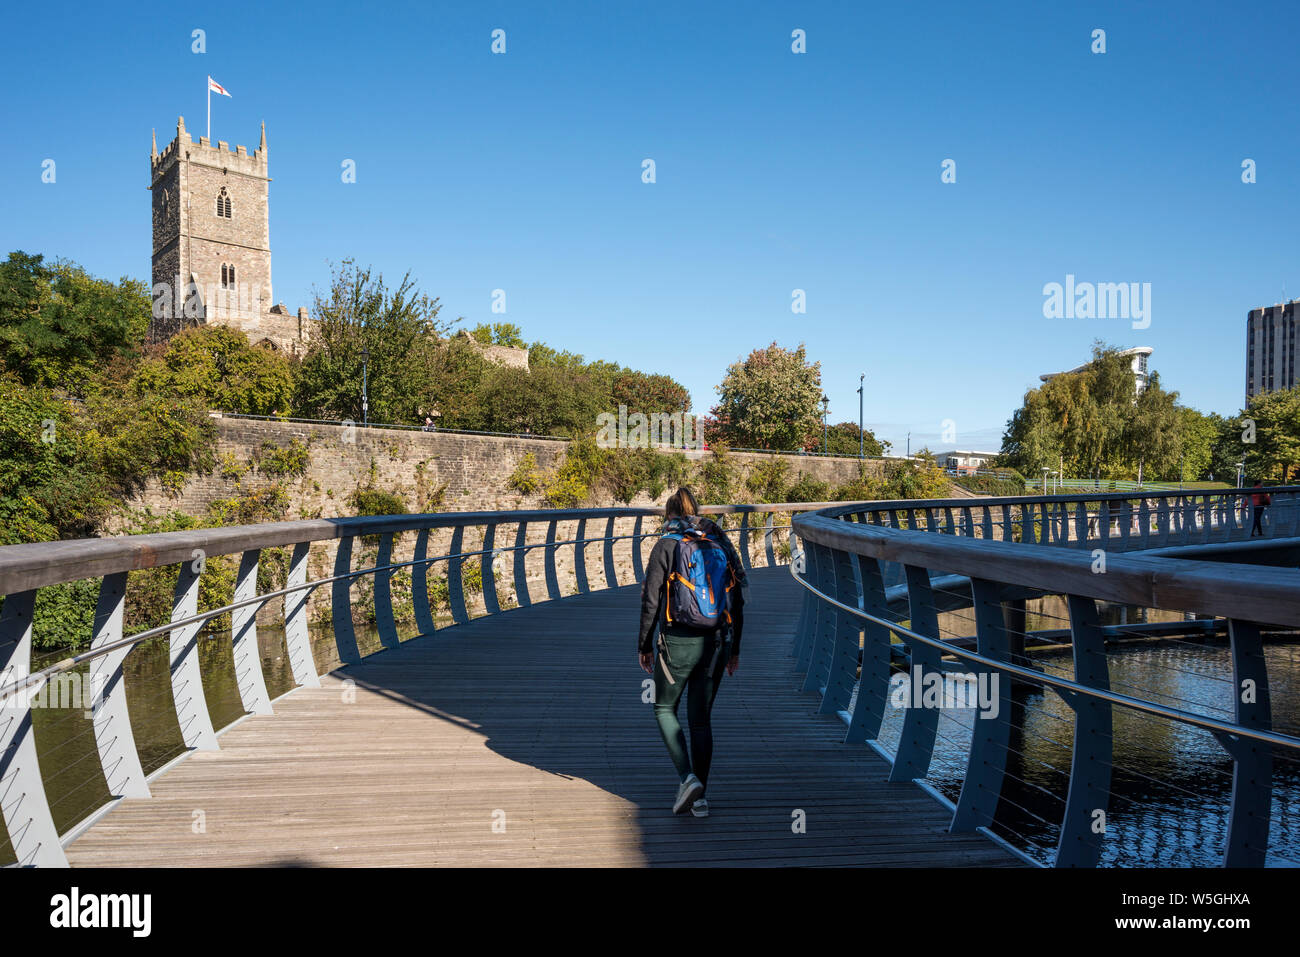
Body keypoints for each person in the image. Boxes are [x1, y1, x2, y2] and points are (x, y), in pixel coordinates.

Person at [637, 487, 747, 817]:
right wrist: (735, 649)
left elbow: (651, 601)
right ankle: (700, 799)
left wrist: (643, 645)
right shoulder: (717, 542)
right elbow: (736, 600)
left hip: (678, 641)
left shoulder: (666, 544)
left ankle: (687, 778)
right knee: (701, 720)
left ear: (669, 514)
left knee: (662, 707)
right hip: (717, 641)